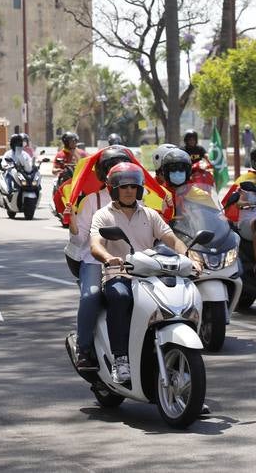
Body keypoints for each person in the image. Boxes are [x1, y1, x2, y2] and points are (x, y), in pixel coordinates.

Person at [90, 162, 196, 385]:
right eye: (124, 186)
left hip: (150, 275)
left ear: (139, 189)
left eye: (133, 186)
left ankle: (190, 376)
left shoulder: (151, 214)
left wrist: (190, 255)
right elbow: (95, 245)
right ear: (114, 189)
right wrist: (109, 258)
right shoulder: (103, 215)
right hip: (119, 274)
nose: (129, 190)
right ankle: (120, 359)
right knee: (120, 296)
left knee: (183, 298)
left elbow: (171, 239)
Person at [64, 147, 132, 370]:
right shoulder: (92, 201)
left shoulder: (139, 200)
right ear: (105, 174)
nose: (126, 185)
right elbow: (81, 239)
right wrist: (73, 224)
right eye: (113, 169)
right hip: (96, 262)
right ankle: (83, 348)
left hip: (132, 263)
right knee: (91, 295)